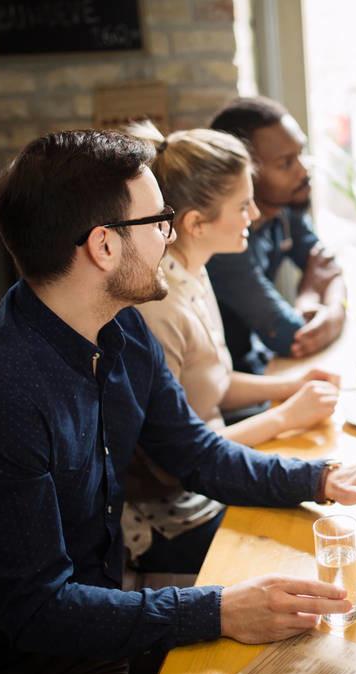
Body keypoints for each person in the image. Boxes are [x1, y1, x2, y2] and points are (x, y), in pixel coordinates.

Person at [0, 129, 356, 674]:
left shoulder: (123, 332)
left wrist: (322, 480)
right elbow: (39, 612)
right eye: (159, 221)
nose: (169, 236)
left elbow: (195, 453)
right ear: (104, 246)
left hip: (97, 627)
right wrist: (218, 609)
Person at [119, 121, 342, 576]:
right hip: (176, 513)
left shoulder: (194, 272)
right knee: (313, 544)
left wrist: (288, 386)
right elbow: (177, 461)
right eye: (243, 205)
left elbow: (213, 385)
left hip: (213, 474)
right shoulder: (158, 310)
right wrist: (285, 415)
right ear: (196, 224)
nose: (256, 214)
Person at [207, 96, 346, 377]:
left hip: (264, 366)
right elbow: (293, 339)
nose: (303, 170)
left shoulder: (282, 210)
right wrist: (309, 292)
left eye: (301, 154)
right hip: (235, 389)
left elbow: (328, 267)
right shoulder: (224, 243)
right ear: (245, 174)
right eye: (286, 163)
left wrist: (330, 312)